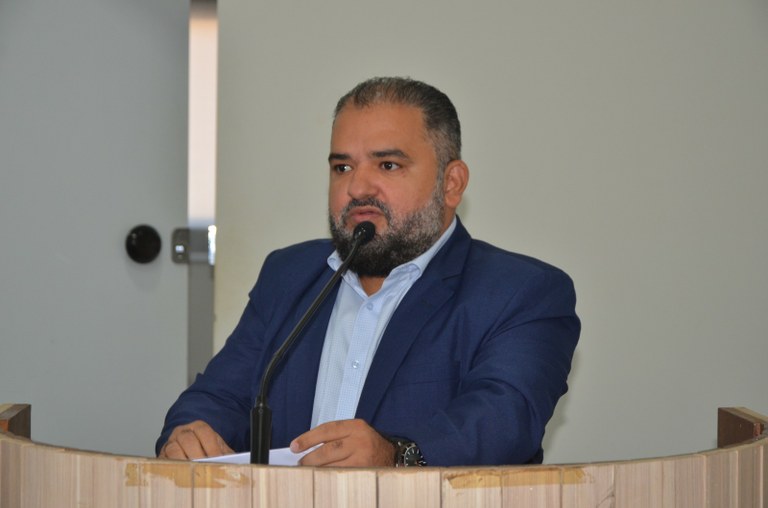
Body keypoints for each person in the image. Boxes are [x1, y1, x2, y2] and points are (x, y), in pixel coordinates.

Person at [157, 77, 580, 467]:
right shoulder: (288, 276)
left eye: (387, 165)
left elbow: (505, 420)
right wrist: (190, 433)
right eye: (342, 167)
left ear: (451, 183)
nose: (357, 188)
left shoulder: (521, 292)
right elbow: (219, 397)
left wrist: (396, 456)